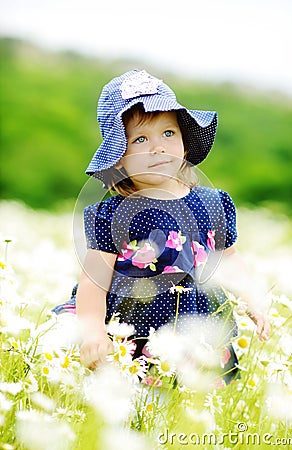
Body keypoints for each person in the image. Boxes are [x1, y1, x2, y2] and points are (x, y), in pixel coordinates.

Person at [52, 70, 270, 381]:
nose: (158, 147)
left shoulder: (213, 202)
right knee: (138, 413)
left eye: (168, 133)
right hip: (133, 337)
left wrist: (253, 299)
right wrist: (93, 332)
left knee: (194, 406)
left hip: (197, 328)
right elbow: (93, 281)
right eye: (140, 139)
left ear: (183, 139)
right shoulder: (113, 213)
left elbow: (229, 259)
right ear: (119, 158)